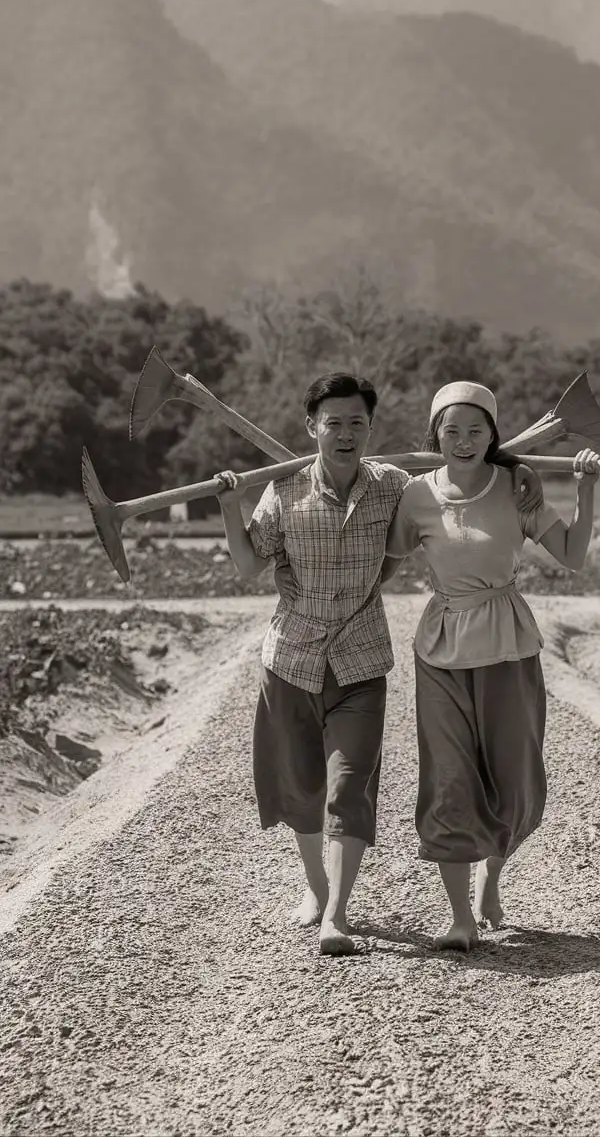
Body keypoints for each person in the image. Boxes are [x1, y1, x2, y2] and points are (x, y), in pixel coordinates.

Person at [383, 381, 600, 951]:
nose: (462, 441)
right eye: (451, 431)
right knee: (450, 780)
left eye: (475, 430)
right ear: (435, 435)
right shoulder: (416, 495)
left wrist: (585, 489)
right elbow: (381, 561)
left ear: (493, 436)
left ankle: (491, 880)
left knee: (513, 779)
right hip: (441, 651)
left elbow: (573, 557)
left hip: (508, 646)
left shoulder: (516, 487)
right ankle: (458, 918)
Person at [214, 373, 410, 956]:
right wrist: (230, 505)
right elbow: (249, 565)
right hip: (291, 661)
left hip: (361, 662)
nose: (345, 433)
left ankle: (337, 916)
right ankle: (317, 889)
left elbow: (450, 489)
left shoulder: (393, 487)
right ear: (312, 428)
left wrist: (520, 478)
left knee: (348, 788)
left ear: (370, 428)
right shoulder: (284, 490)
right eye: (334, 423)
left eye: (357, 423)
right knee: (301, 789)